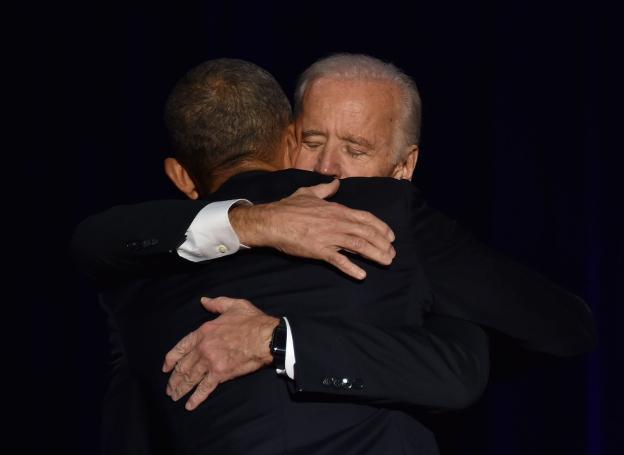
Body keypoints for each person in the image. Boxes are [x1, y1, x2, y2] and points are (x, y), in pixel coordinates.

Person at [75, 54, 595, 413]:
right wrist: (253, 222)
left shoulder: (405, 231)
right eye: (313, 140)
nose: (327, 168)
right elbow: (102, 239)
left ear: (403, 167)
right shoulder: (230, 216)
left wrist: (278, 341)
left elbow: (551, 330)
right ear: (284, 139)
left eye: (356, 149)